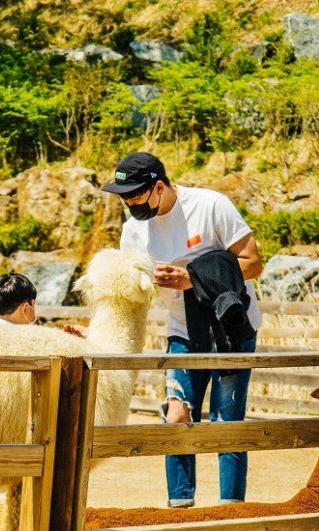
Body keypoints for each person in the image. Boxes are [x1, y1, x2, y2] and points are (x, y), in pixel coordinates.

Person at [103, 152, 262, 508]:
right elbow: (129, 293)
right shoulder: (132, 231)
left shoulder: (210, 206)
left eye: (134, 195)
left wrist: (191, 278)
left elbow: (253, 263)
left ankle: (229, 516)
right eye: (122, 196)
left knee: (226, 424)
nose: (128, 203)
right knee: (175, 418)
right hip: (183, 330)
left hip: (231, 328)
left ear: (158, 187)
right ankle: (181, 511)